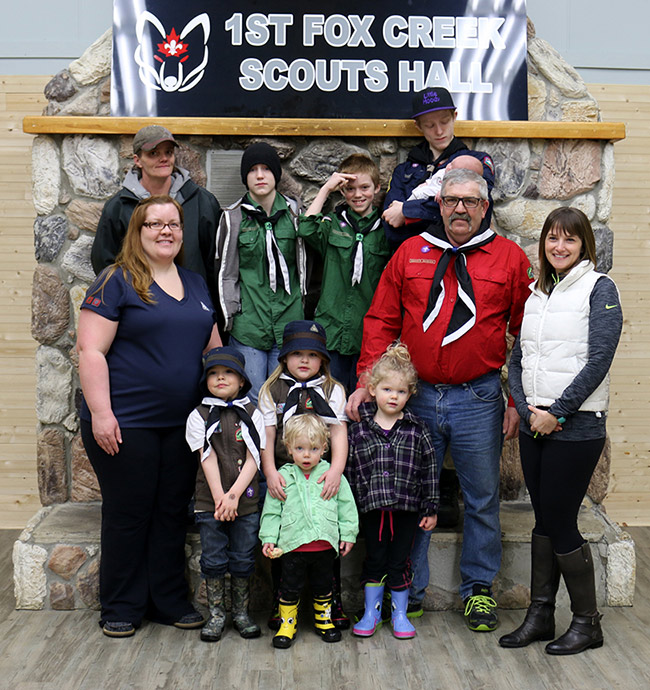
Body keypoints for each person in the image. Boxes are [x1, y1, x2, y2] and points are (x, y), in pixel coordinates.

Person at [346, 169, 532, 633]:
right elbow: (382, 318)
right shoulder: (411, 252)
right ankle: (410, 590)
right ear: (440, 204)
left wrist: (516, 399)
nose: (460, 209)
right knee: (409, 498)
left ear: (485, 208)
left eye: (470, 201)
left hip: (480, 396)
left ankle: (479, 591)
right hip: (416, 399)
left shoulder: (509, 259)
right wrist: (368, 381)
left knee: (482, 498)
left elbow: (526, 333)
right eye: (451, 200)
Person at [77, 195, 222, 638]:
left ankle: (168, 600)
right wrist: (101, 414)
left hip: (181, 425)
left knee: (170, 512)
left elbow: (213, 350)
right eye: (154, 224)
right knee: (130, 511)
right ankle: (121, 604)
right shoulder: (116, 281)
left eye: (173, 224)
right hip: (125, 422)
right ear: (137, 233)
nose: (165, 231)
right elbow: (90, 351)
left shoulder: (196, 284)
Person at [500, 207, 622, 655]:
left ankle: (588, 622)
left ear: (583, 244)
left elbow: (599, 359)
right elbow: (519, 357)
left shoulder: (599, 289)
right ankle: (541, 615)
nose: (559, 246)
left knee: (561, 519)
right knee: (544, 519)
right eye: (552, 238)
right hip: (536, 422)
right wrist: (522, 402)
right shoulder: (538, 293)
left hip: (577, 424)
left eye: (569, 239)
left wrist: (559, 412)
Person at [258, 319, 349, 629]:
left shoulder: (333, 389)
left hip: (322, 473)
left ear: (322, 359)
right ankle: (281, 602)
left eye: (312, 355)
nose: (305, 361)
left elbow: (338, 433)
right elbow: (267, 436)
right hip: (287, 474)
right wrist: (270, 471)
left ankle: (332, 599)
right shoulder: (273, 389)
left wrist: (336, 469)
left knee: (327, 532)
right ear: (285, 357)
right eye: (298, 354)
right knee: (284, 538)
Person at [347, 344, 438, 639]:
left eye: (400, 392)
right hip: (372, 510)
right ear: (373, 389)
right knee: (374, 559)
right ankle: (370, 613)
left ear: (409, 394)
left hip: (406, 510)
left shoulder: (417, 429)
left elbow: (429, 471)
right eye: (387, 389)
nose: (393, 396)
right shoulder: (359, 430)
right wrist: (348, 511)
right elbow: (350, 472)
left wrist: (430, 508)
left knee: (400, 561)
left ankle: (400, 613)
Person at [214, 142, 307, 403]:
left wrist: (302, 304)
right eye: (253, 169)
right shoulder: (232, 218)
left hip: (289, 320)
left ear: (276, 174)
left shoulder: (294, 212)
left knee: (288, 399)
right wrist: (232, 315)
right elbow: (225, 272)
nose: (260, 175)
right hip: (249, 325)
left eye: (266, 168)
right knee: (253, 399)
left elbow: (304, 265)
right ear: (245, 177)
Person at [185, 347, 265, 643]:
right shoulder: (199, 416)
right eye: (214, 374)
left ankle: (242, 614)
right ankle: (217, 613)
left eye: (228, 373)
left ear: (242, 380)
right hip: (210, 502)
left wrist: (234, 496)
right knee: (214, 557)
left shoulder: (253, 413)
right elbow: (205, 457)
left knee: (243, 556)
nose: (221, 378)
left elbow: (255, 457)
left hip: (244, 500)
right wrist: (220, 497)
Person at [259, 414, 359, 648]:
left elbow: (347, 508)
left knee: (324, 585)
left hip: (324, 545)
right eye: (300, 448)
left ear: (324, 448)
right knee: (289, 586)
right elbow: (272, 512)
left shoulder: (332, 476)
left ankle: (324, 620)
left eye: (313, 448)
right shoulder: (283, 476)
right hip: (292, 545)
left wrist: (348, 534)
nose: (306, 454)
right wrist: (269, 538)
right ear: (289, 449)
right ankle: (287, 623)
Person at [91, 125, 222, 295]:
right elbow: (105, 263)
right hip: (140, 307)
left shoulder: (202, 201)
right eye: (154, 153)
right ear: (137, 160)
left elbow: (215, 263)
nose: (164, 158)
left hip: (193, 306)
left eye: (168, 152)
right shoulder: (118, 207)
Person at [298, 153, 390, 393]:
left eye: (364, 187)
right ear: (342, 191)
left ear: (377, 188)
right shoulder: (333, 224)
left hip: (366, 334)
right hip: (333, 330)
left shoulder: (386, 230)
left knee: (362, 403)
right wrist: (326, 189)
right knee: (329, 399)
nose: (358, 194)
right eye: (350, 189)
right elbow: (306, 229)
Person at [382, 87, 495, 250]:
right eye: (429, 125)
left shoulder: (476, 162)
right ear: (419, 126)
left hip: (462, 256)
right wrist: (434, 212)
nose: (439, 131)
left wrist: (407, 210)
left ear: (454, 117)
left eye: (444, 122)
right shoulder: (403, 171)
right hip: (415, 259)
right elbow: (392, 221)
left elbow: (472, 207)